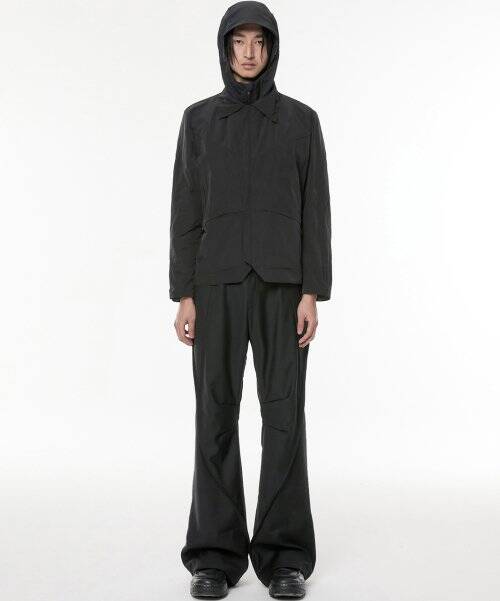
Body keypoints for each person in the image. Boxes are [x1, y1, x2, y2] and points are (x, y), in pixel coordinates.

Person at [169, 1, 332, 598]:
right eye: (238, 41)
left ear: (272, 48)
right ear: (224, 48)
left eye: (258, 41)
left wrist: (312, 291)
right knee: (215, 415)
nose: (248, 52)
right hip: (214, 287)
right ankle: (214, 555)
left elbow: (316, 209)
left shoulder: (301, 122)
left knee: (284, 417)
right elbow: (185, 210)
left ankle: (284, 555)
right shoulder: (198, 121)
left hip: (284, 288)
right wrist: (184, 293)